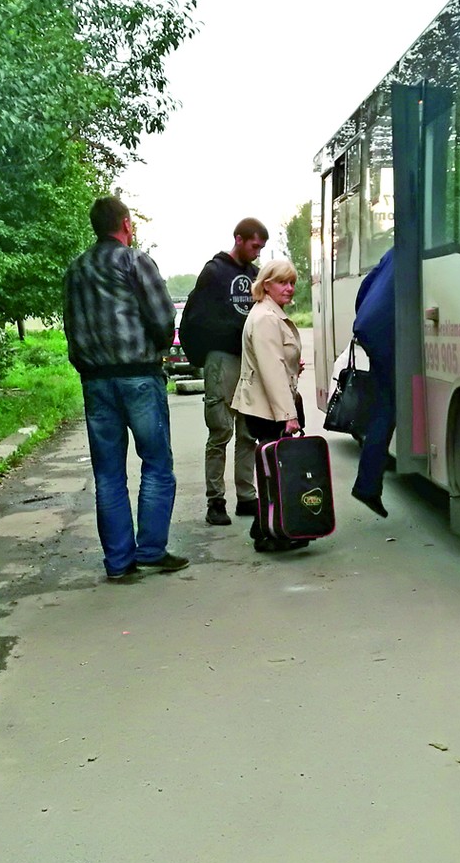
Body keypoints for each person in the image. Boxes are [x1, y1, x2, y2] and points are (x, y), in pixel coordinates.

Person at [63, 196, 188, 583]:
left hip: (95, 381)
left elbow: (71, 326)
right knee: (156, 463)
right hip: (139, 376)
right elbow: (163, 317)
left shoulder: (76, 269)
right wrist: (159, 348)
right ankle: (150, 550)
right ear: (127, 224)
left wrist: (87, 365)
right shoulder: (135, 261)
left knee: (108, 474)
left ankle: (119, 563)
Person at [180, 218, 269, 527]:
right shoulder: (214, 273)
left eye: (261, 248)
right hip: (222, 359)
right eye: (254, 246)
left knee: (248, 432)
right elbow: (196, 318)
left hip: (250, 360)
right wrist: (204, 355)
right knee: (220, 430)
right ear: (239, 239)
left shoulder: (255, 275)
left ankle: (247, 496)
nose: (257, 252)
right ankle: (215, 501)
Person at [231, 258, 308, 552]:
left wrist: (292, 365)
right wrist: (288, 415)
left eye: (292, 282)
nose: (289, 288)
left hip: (266, 406)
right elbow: (271, 370)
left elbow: (275, 361)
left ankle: (266, 528)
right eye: (282, 282)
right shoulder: (266, 317)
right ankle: (268, 533)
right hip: (267, 409)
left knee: (272, 471)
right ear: (266, 285)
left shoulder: (268, 313)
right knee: (274, 471)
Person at [350, 247, 395, 518]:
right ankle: (367, 486)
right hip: (387, 331)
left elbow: (366, 285)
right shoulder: (416, 245)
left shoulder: (393, 251)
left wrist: (363, 319)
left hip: (369, 325)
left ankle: (367, 484)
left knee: (384, 405)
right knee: (388, 407)